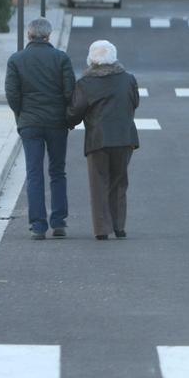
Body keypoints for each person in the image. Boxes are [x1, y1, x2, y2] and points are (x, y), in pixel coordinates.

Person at [5, 17, 75, 240]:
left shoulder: (16, 60)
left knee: (34, 173)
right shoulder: (61, 58)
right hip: (56, 123)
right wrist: (65, 115)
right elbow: (70, 92)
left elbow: (12, 94)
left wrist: (22, 113)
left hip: (30, 123)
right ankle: (59, 221)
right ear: (49, 35)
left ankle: (38, 225)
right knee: (57, 170)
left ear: (28, 35)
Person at [67, 40, 139, 240]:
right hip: (125, 138)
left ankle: (101, 228)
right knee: (119, 181)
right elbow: (135, 102)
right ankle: (119, 226)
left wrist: (68, 122)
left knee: (99, 182)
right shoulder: (128, 79)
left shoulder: (85, 83)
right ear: (114, 58)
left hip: (98, 139)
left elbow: (76, 111)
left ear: (91, 60)